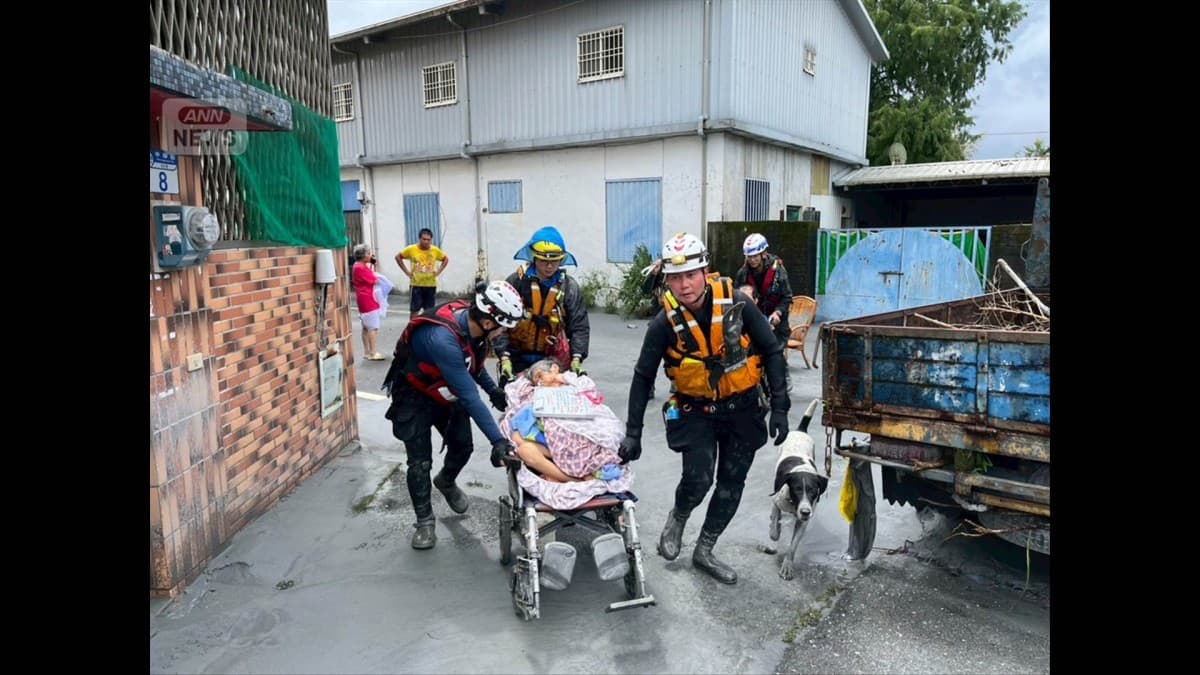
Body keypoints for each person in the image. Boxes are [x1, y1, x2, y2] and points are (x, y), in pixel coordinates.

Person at [617, 232, 791, 585]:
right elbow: (642, 377)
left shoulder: (739, 303)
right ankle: (679, 515)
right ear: (667, 280)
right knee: (698, 479)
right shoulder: (663, 324)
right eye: (676, 278)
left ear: (705, 272)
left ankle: (705, 549)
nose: (684, 285)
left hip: (742, 408)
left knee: (731, 483)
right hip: (695, 409)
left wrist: (781, 406)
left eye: (691, 275)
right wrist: (633, 433)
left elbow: (771, 351)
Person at [382, 280, 525, 550]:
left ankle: (446, 481)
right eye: (503, 327)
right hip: (414, 394)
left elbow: (470, 363)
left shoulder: (471, 327)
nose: (503, 333)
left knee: (463, 446)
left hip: (446, 390)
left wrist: (494, 392)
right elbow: (469, 395)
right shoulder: (442, 339)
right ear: (487, 322)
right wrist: (498, 441)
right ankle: (424, 522)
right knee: (419, 462)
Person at [498, 358, 631, 510]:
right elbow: (519, 410)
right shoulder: (535, 393)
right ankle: (574, 480)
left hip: (583, 431)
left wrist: (563, 379)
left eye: (540, 376)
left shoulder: (576, 382)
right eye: (536, 381)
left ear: (554, 369)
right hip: (552, 441)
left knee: (594, 437)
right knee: (520, 445)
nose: (539, 382)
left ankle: (576, 469)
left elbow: (593, 399)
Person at [492, 226, 591, 384]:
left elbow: (579, 325)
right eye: (544, 261)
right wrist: (504, 357)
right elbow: (499, 322)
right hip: (515, 357)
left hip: (552, 362)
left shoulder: (569, 287)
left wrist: (577, 357)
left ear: (561, 260)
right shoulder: (516, 282)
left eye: (554, 261)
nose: (549, 266)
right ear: (534, 258)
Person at [734, 233, 795, 393]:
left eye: (755, 256)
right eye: (749, 256)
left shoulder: (778, 271)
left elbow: (787, 297)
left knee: (775, 350)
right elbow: (735, 296)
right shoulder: (743, 273)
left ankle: (783, 377)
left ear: (763, 254)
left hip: (775, 317)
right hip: (753, 318)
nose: (752, 260)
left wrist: (778, 313)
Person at [395, 227, 449, 315]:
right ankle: (413, 328)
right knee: (414, 310)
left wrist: (438, 271)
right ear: (419, 238)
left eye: (428, 239)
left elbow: (445, 259)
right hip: (416, 285)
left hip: (430, 285)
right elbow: (398, 257)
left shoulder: (435, 250)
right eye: (424, 239)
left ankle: (427, 328)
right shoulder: (411, 249)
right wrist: (407, 272)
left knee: (429, 311)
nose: (426, 242)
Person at [352, 244, 386, 361]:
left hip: (362, 298)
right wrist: (374, 267)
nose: (370, 255)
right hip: (368, 299)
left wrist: (373, 265)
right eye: (368, 253)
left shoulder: (358, 266)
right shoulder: (361, 268)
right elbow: (375, 280)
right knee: (373, 327)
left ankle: (367, 352)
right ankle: (373, 352)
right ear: (362, 256)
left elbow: (371, 277)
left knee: (365, 327)